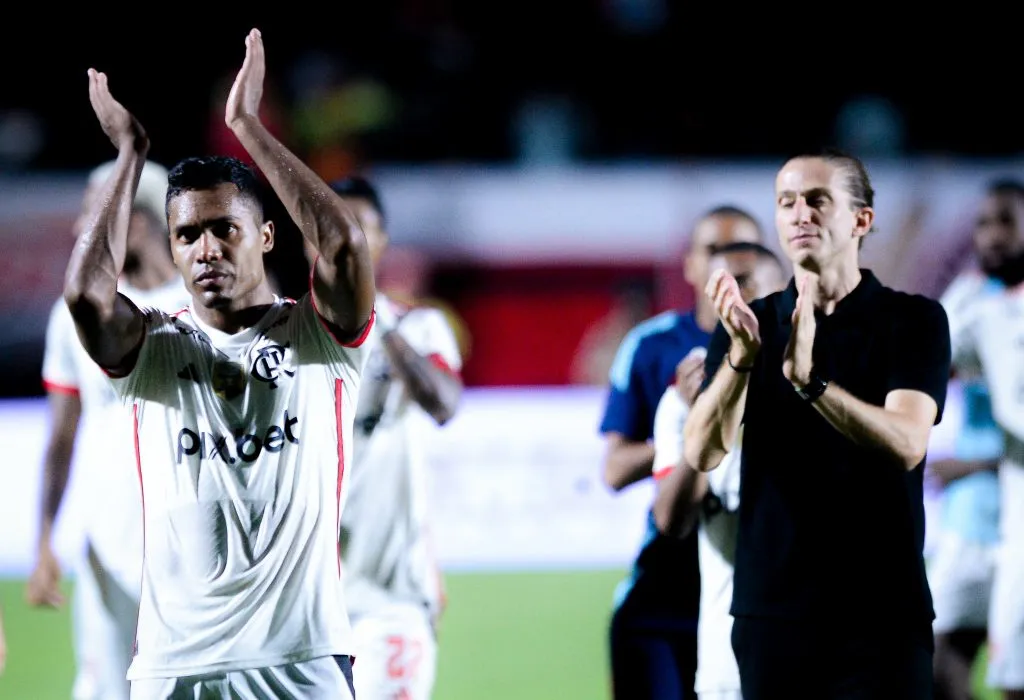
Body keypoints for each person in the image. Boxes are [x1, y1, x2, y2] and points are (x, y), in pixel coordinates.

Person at [66, 29, 376, 698]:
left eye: (223, 229)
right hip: (175, 671)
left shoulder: (316, 337)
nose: (205, 249)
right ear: (172, 252)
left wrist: (249, 128)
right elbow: (85, 298)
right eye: (186, 235)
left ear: (266, 236)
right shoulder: (155, 347)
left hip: (303, 663)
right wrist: (129, 156)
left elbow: (346, 246)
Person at [683, 149, 951, 699]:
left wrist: (812, 385)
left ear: (861, 220)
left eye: (817, 200)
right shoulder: (748, 325)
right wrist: (740, 358)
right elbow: (703, 453)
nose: (799, 213)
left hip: (882, 619)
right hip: (772, 618)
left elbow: (906, 441)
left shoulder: (913, 319)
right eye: (787, 202)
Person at [25, 159, 186, 700]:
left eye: (92, 216)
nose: (78, 230)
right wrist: (46, 540)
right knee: (104, 687)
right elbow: (62, 437)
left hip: (194, 546)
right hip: (106, 542)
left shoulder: (206, 309)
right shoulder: (72, 318)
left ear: (134, 223)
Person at [599, 205, 764, 699]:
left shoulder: (786, 350)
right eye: (715, 251)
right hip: (665, 591)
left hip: (752, 592)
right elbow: (614, 468)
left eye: (746, 253)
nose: (731, 265)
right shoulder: (653, 346)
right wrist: (687, 429)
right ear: (690, 265)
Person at [329, 176, 463, 700]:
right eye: (332, 229)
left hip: (393, 597)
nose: (347, 244)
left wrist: (378, 322)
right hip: (304, 603)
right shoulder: (287, 335)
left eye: (360, 230)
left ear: (382, 243)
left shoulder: (419, 327)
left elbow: (445, 404)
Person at [650, 242, 786, 700]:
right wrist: (701, 426)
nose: (730, 295)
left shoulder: (822, 385)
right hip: (728, 665)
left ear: (785, 294)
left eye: (744, 281)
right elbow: (672, 521)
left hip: (820, 656)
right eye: (719, 285)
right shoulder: (682, 400)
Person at [927, 189, 1012, 700]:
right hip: (969, 524)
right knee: (937, 667)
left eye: (1006, 221)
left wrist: (974, 465)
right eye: (983, 222)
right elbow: (935, 365)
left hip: (1015, 520)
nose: (992, 234)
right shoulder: (968, 294)